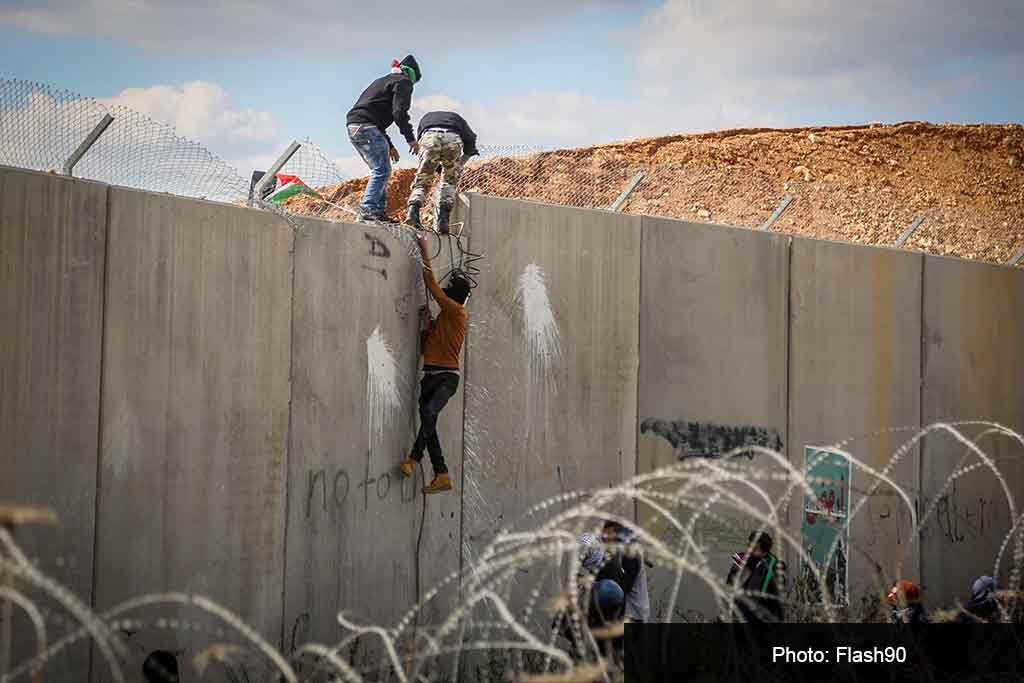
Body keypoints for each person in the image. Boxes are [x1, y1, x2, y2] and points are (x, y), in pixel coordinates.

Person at [398, 232, 470, 493]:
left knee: (428, 415)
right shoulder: (445, 318)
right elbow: (425, 348)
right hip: (430, 376)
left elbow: (429, 281)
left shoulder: (457, 311)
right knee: (429, 421)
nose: (446, 288)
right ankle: (423, 466)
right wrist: (426, 327)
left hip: (446, 378)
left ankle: (432, 467)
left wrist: (423, 248)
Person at [346, 55, 422, 223]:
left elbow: (376, 119)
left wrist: (390, 145)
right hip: (366, 127)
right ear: (411, 75)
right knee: (381, 171)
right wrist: (411, 139)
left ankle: (377, 212)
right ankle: (369, 210)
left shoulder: (384, 81)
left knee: (381, 170)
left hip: (355, 127)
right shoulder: (403, 82)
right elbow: (399, 113)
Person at [405, 110, 479, 234]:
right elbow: (471, 139)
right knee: (449, 182)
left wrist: (432, 165)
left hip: (429, 137)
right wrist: (460, 164)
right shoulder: (457, 119)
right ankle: (443, 220)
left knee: (423, 178)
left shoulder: (426, 118)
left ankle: (413, 213)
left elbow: (422, 143)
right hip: (452, 138)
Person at [726, 531, 785, 622]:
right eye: (749, 546)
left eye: (754, 548)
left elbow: (776, 603)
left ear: (764, 552)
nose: (749, 551)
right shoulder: (740, 563)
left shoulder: (773, 571)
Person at [601, 521, 651, 623]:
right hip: (632, 612)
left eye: (607, 537)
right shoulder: (623, 553)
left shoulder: (630, 555)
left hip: (634, 614)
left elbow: (624, 587)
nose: (605, 541)